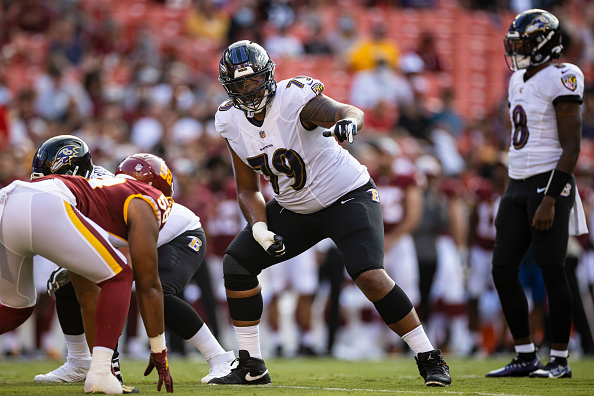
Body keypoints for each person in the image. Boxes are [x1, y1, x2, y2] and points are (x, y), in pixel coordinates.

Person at [209, 40, 451, 387]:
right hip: (295, 208)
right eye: (239, 85)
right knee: (237, 264)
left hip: (346, 195)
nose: (247, 91)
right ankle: (251, 365)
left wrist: (348, 123)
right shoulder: (229, 120)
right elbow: (247, 188)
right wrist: (260, 226)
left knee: (367, 273)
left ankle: (428, 356)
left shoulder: (294, 99)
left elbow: (349, 111)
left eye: (253, 81)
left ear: (269, 77)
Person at [28, 136, 235, 385]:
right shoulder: (81, 187)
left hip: (178, 234)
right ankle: (80, 363)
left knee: (160, 294)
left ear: (71, 172)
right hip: (134, 238)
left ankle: (221, 358)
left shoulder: (96, 189)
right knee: (68, 285)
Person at [0, 170, 173, 394]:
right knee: (120, 275)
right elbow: (148, 284)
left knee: (16, 308)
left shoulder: (98, 193)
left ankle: (102, 371)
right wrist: (159, 351)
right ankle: (100, 372)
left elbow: (87, 295)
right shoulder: (147, 199)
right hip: (45, 203)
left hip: (10, 201)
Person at [486, 9, 587, 378]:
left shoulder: (565, 76)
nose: (518, 50)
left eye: (525, 43)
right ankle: (526, 353)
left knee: (552, 270)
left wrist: (551, 197)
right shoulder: (517, 79)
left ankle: (559, 359)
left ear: (545, 44)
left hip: (549, 181)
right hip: (517, 181)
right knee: (502, 268)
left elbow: (572, 147)